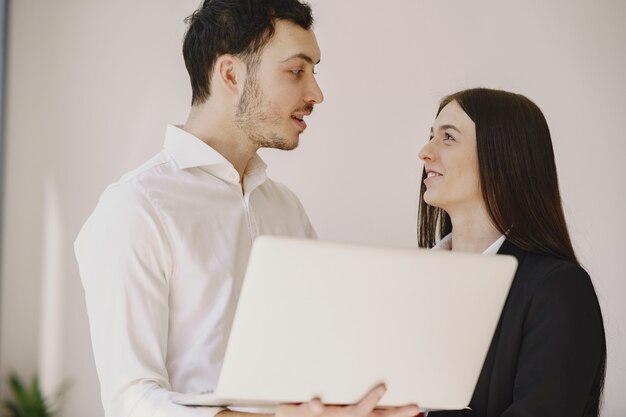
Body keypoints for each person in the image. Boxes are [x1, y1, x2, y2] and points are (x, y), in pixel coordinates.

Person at [74, 1, 420, 417]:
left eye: (314, 71)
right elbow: (130, 400)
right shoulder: (136, 207)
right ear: (232, 74)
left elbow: (316, 353)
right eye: (296, 71)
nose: (316, 94)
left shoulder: (286, 208)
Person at [417, 88, 606, 417]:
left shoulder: (558, 290)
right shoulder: (409, 281)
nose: (424, 152)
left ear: (503, 155)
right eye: (430, 135)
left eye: (448, 137)